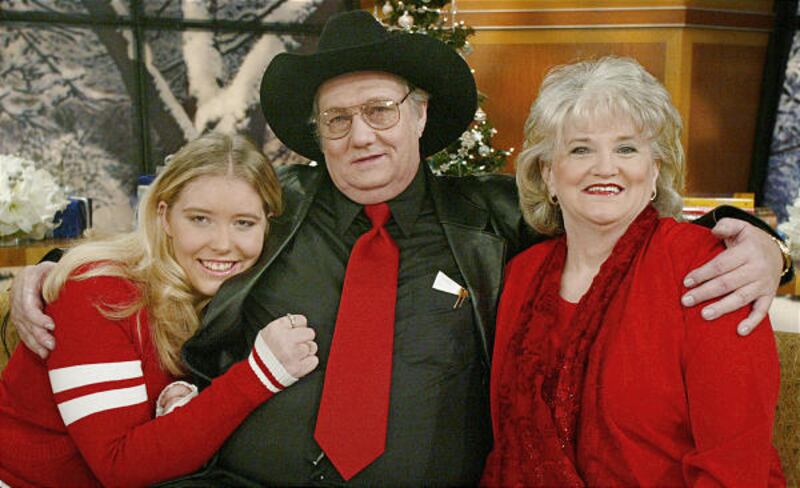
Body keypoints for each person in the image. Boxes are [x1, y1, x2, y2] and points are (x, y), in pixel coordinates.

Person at [6, 11, 790, 486]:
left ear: (420, 115)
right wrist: (47, 272)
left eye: (380, 109)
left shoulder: (496, 218)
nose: (362, 134)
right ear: (317, 136)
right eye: (337, 119)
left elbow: (611, 210)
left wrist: (757, 239)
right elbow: (171, 237)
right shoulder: (273, 213)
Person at [482, 57, 785, 487]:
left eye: (626, 148)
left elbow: (734, 466)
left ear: (655, 169)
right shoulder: (521, 275)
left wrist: (775, 251)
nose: (606, 167)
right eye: (580, 148)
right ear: (548, 173)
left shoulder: (709, 268)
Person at [0, 132, 319, 487]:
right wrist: (260, 375)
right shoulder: (99, 293)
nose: (223, 244)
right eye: (200, 219)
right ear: (165, 217)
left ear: (267, 225)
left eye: (244, 222)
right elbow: (119, 466)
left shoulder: (234, 293)